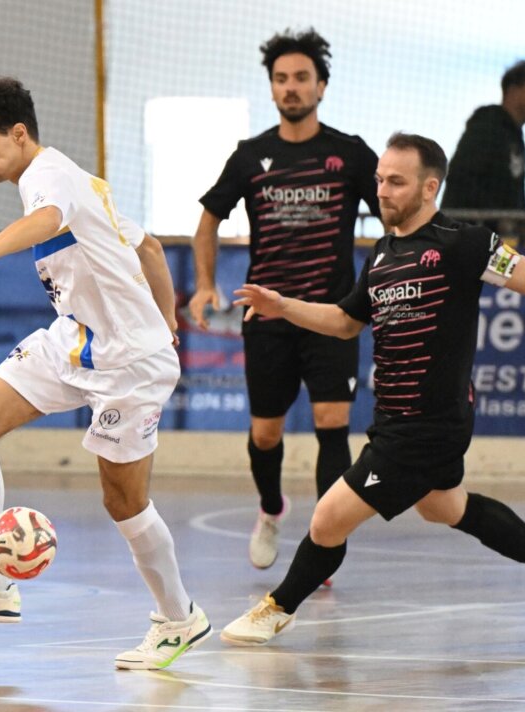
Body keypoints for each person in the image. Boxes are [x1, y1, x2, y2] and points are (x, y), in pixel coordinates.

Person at [220, 132, 525, 646]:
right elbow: (343, 320)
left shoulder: (464, 243)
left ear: (429, 188)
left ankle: (275, 609)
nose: (382, 191)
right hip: (396, 418)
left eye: (396, 182)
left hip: (429, 425)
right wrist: (283, 304)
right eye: (379, 180)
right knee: (444, 507)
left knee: (328, 519)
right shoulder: (382, 254)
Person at [0, 76, 211, 670]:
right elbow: (149, 249)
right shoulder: (82, 183)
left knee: (123, 501)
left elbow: (47, 219)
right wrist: (169, 314)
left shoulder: (49, 179)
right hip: (75, 341)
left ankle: (179, 620)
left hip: (129, 363)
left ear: (19, 135)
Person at [188, 28, 380, 570]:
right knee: (265, 432)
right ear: (272, 89)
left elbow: (393, 213)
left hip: (331, 316)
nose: (291, 87)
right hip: (267, 316)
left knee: (331, 424)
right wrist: (205, 284)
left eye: (301, 78)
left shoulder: (350, 153)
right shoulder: (252, 156)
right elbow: (208, 221)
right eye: (281, 79)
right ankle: (272, 508)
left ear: (322, 86)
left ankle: (324, 539)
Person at [441, 61, 525, 233]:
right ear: (514, 91)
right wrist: (497, 220)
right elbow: (462, 179)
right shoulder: (486, 129)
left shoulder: (515, 138)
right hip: (468, 240)